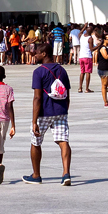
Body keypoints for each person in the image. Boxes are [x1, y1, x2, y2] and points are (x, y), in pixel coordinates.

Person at [22, 45, 72, 185]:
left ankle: (36, 175)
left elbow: (37, 98)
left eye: (37, 53)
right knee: (63, 142)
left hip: (44, 112)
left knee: (35, 142)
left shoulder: (38, 72)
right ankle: (66, 173)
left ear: (44, 53)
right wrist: (64, 110)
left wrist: (34, 121)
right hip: (61, 112)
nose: (34, 55)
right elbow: (67, 94)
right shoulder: (62, 70)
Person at [76, 25, 94, 93]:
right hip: (88, 56)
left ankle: (80, 88)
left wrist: (84, 26)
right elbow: (91, 49)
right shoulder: (90, 38)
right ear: (92, 32)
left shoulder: (82, 36)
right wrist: (99, 45)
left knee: (82, 72)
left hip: (81, 57)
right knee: (88, 73)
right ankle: (87, 88)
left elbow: (80, 33)